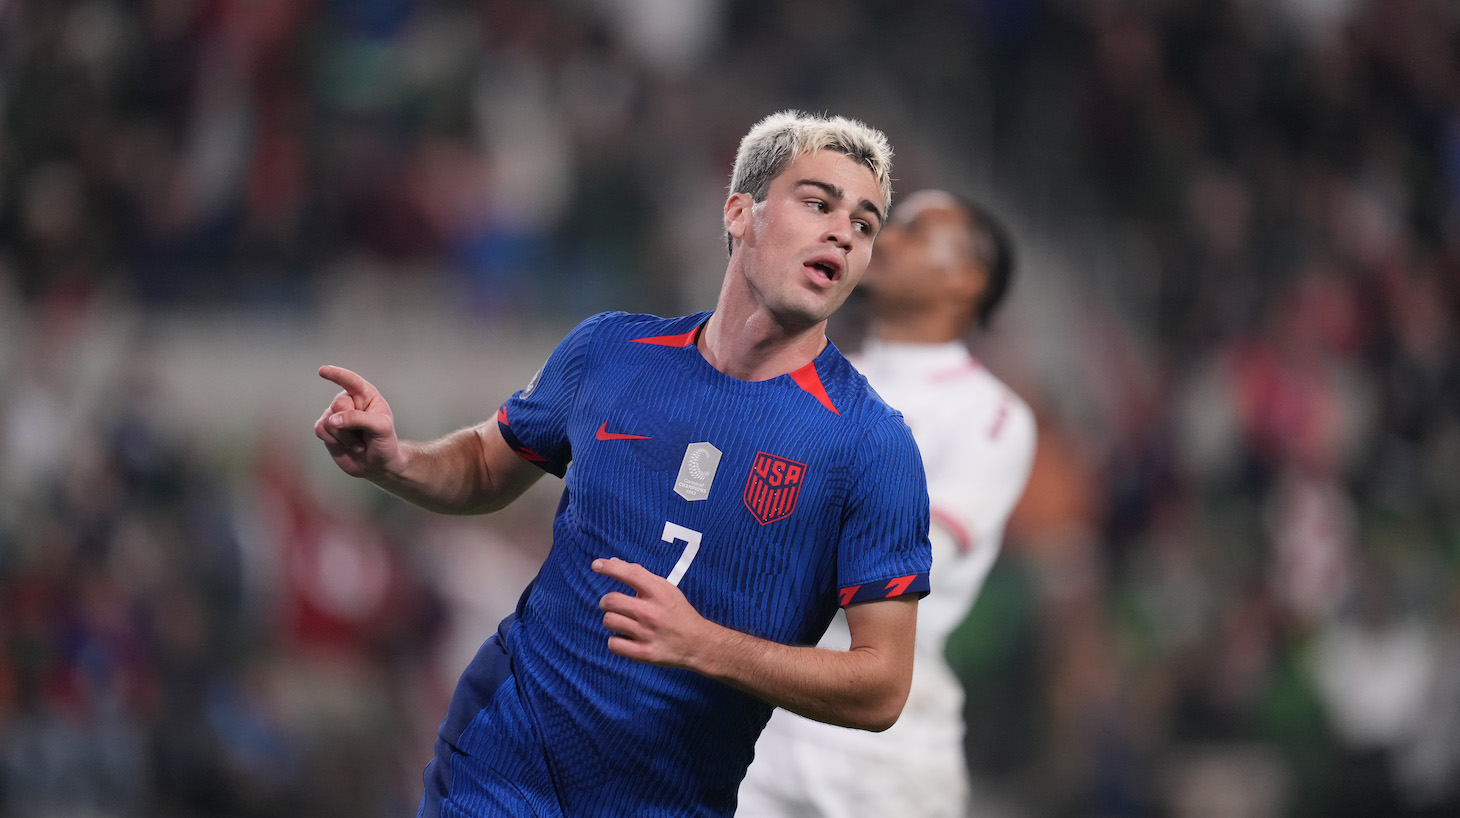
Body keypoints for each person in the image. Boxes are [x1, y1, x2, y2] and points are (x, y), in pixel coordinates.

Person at [312, 111, 933, 818]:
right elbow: (488, 464)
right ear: (739, 213)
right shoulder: (608, 351)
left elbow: (882, 686)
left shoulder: (871, 447)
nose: (843, 233)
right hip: (502, 763)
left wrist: (705, 646)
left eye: (865, 223)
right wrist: (396, 460)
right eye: (818, 203)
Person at [738, 189, 1038, 817]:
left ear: (967, 280)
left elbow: (905, 560)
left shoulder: (990, 415)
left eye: (915, 231)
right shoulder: (803, 375)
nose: (883, 238)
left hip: (885, 747)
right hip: (758, 718)